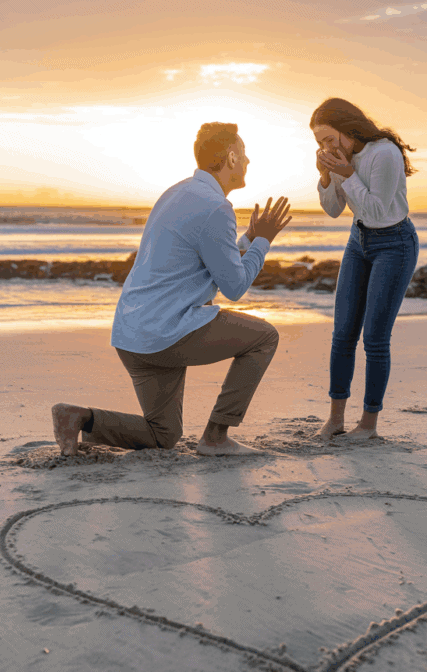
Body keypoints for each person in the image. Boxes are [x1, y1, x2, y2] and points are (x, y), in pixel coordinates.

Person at [51, 122, 291, 458]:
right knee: (265, 337)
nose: (249, 161)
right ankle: (216, 437)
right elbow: (234, 286)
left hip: (131, 333)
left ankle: (79, 418)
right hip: (166, 333)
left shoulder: (176, 193)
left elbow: (205, 260)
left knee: (163, 435)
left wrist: (249, 240)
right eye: (245, 153)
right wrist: (264, 240)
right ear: (231, 157)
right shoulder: (216, 207)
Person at [311, 98, 419, 443]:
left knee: (374, 338)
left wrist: (347, 174)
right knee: (342, 333)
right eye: (320, 143)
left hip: (395, 244)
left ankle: (368, 425)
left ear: (347, 127)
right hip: (358, 241)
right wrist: (327, 177)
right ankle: (335, 419)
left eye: (329, 139)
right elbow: (332, 210)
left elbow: (375, 210)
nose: (326, 147)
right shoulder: (344, 159)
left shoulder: (383, 153)